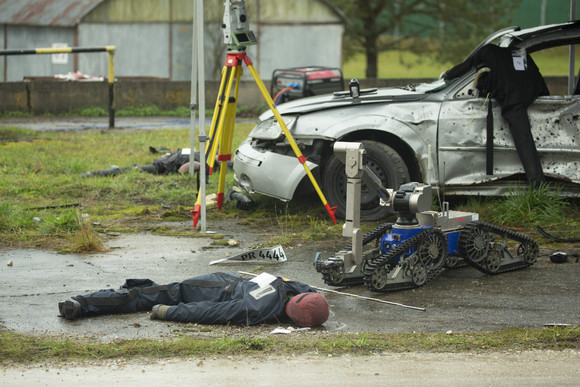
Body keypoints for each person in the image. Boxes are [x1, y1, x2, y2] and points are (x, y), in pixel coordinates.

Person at [58, 271, 329, 327]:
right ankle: (84, 302)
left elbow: (210, 313)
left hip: (229, 282)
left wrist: (168, 312)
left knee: (160, 292)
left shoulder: (305, 290)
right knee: (157, 294)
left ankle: (98, 299)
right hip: (217, 286)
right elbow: (209, 311)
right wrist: (166, 311)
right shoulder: (256, 307)